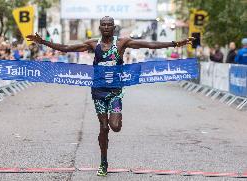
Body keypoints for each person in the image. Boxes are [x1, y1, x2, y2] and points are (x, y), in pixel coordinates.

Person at [26, 16, 194, 177]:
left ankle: (117, 117)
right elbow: (67, 48)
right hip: (98, 91)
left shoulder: (121, 43)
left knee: (115, 127)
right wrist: (43, 42)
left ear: (114, 27)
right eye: (103, 25)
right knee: (104, 128)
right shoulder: (93, 44)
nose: (106, 27)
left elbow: (149, 44)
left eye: (109, 24)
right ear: (100, 27)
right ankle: (103, 162)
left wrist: (175, 43)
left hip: (115, 91)